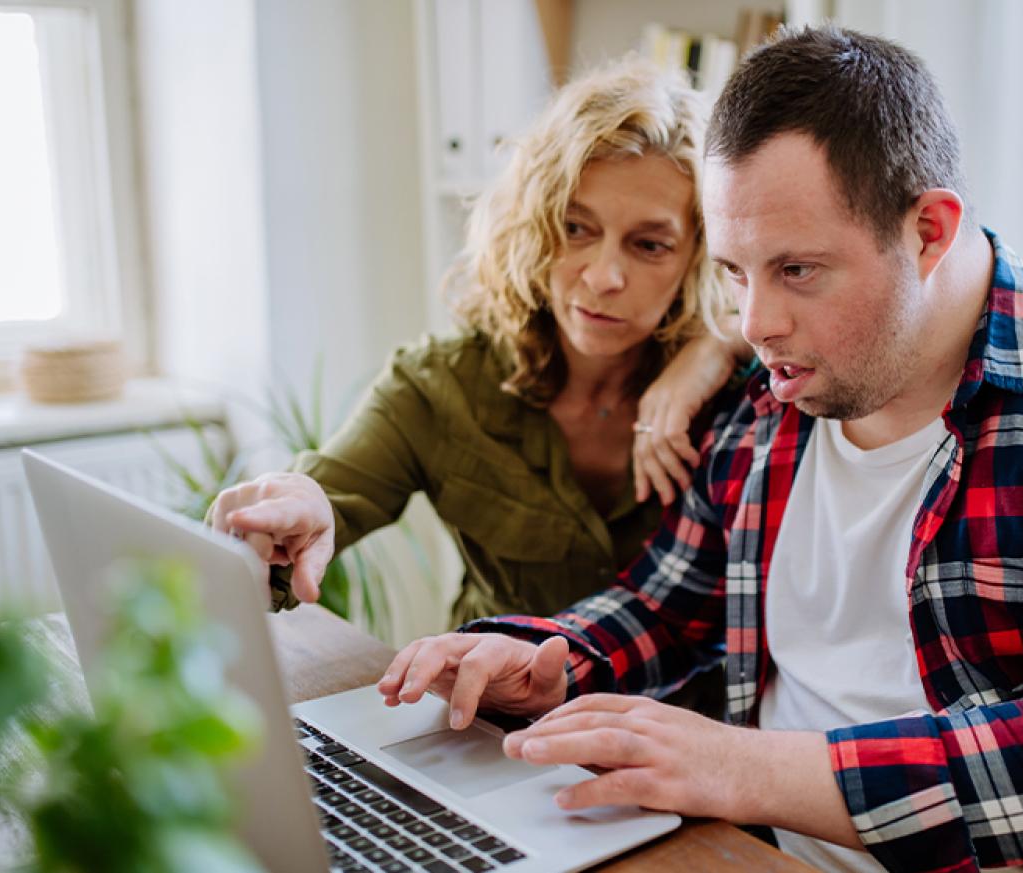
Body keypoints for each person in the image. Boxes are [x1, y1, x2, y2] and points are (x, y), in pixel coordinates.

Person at [375, 27, 1023, 873]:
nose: (755, 323)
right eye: (733, 271)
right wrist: (548, 660)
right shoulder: (777, 394)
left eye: (796, 270)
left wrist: (743, 766)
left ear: (929, 230)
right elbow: (672, 603)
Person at [208, 59, 738, 626]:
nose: (605, 275)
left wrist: (715, 349)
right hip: (487, 710)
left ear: (698, 258)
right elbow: (324, 495)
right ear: (535, 225)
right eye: (576, 227)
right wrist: (295, 511)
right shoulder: (441, 388)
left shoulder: (735, 395)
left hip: (677, 712)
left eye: (650, 245)